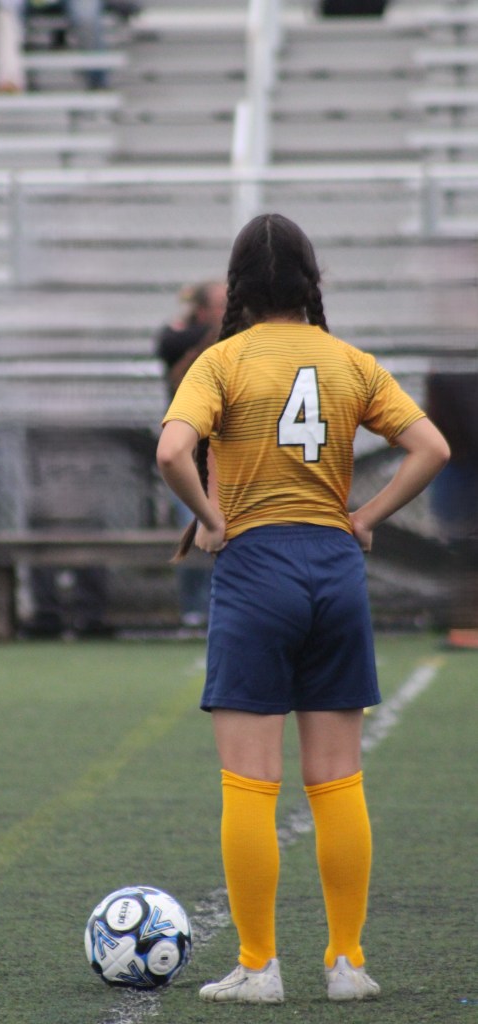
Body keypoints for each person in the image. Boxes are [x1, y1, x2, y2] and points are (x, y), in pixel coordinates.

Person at [156, 213, 450, 1004]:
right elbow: (431, 447)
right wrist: (366, 516)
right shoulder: (350, 361)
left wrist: (209, 519)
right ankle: (347, 963)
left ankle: (258, 967)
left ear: (238, 288)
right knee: (338, 781)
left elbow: (171, 451)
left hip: (256, 572)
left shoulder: (220, 361)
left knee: (249, 783)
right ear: (311, 283)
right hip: (334, 572)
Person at [155, 281, 227, 628]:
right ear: (203, 310)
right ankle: (195, 608)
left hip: (226, 452)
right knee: (194, 526)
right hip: (192, 452)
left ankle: (219, 605)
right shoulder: (182, 338)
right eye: (221, 304)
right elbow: (168, 341)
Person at [426, 371, 478, 648]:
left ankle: (466, 627)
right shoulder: (445, 373)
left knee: (465, 551)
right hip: (458, 464)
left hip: (460, 464)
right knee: (463, 550)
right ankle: (465, 628)